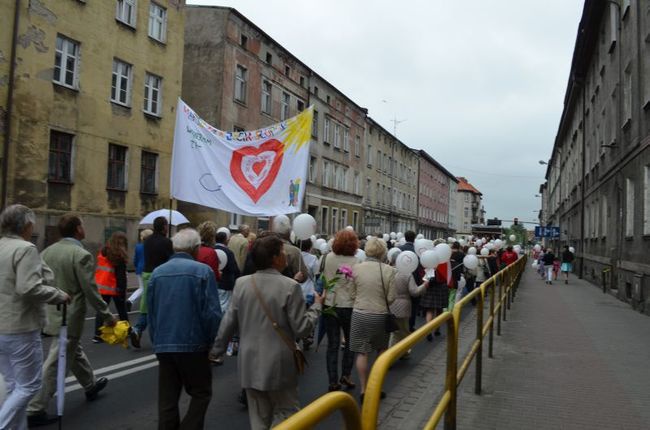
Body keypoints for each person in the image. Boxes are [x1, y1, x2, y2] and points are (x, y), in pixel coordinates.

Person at [211, 235, 323, 429]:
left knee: (258, 417)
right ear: (274, 258)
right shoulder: (290, 286)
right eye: (282, 252)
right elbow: (302, 328)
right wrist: (316, 308)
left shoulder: (242, 284)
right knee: (287, 413)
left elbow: (228, 322)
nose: (286, 255)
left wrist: (216, 351)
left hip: (249, 362)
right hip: (280, 363)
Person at [27, 214, 117, 425]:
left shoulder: (47, 251)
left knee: (72, 350)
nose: (84, 228)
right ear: (78, 229)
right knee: (56, 361)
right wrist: (105, 315)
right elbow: (90, 289)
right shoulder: (81, 254)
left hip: (50, 311)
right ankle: (35, 408)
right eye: (82, 226)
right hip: (70, 314)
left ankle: (90, 385)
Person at [0, 205, 70, 430]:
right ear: (27, 225)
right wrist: (58, 295)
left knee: (14, 386)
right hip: (20, 327)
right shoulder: (25, 249)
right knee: (30, 386)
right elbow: (29, 287)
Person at [147, 228, 222, 429]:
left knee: (167, 398)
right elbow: (212, 314)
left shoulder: (157, 273)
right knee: (201, 392)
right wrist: (210, 343)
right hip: (194, 344)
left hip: (164, 344)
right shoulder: (203, 272)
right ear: (196, 248)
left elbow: (151, 312)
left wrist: (156, 340)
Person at [349, 238, 396, 402]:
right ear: (383, 251)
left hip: (360, 313)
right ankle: (377, 388)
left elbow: (352, 294)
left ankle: (363, 389)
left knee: (362, 352)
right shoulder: (389, 271)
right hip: (380, 315)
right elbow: (391, 298)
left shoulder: (356, 269)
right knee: (381, 351)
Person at [321, 230, 359, 392]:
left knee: (333, 344)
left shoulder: (328, 258)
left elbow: (323, 278)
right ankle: (346, 374)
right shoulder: (357, 261)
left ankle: (332, 381)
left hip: (331, 304)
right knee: (350, 342)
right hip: (349, 305)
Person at [132, 216, 173, 348]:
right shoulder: (166, 242)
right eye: (167, 225)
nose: (168, 228)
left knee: (146, 305)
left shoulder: (147, 241)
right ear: (164, 227)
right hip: (160, 275)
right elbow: (170, 259)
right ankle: (157, 337)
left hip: (146, 274)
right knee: (160, 306)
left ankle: (137, 329)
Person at [93, 231, 130, 343]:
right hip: (114, 287)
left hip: (101, 285)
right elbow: (120, 277)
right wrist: (122, 290)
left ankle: (97, 335)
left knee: (102, 311)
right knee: (122, 310)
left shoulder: (103, 252)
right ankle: (127, 331)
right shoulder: (119, 256)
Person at [388, 271, 429, 359]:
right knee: (402, 331)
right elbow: (414, 292)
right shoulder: (406, 274)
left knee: (396, 331)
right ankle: (390, 356)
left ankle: (403, 352)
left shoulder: (389, 271)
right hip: (403, 306)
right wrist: (424, 285)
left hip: (390, 304)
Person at [398, 231, 423, 332]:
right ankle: (411, 325)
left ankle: (400, 324)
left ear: (405, 237)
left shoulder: (399, 249)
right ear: (414, 238)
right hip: (415, 279)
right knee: (413, 305)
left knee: (400, 301)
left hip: (400, 280)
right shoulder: (417, 251)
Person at [298, 239, 318, 351]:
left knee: (297, 313)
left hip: (297, 288)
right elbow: (317, 273)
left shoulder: (296, 255)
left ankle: (297, 333)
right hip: (309, 290)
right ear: (310, 246)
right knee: (309, 313)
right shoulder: (313, 258)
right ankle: (308, 336)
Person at [127, 228, 153, 310]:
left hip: (139, 268)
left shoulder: (138, 246)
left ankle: (130, 301)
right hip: (148, 268)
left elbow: (136, 259)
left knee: (142, 287)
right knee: (144, 288)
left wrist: (136, 266)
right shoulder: (150, 247)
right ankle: (131, 300)